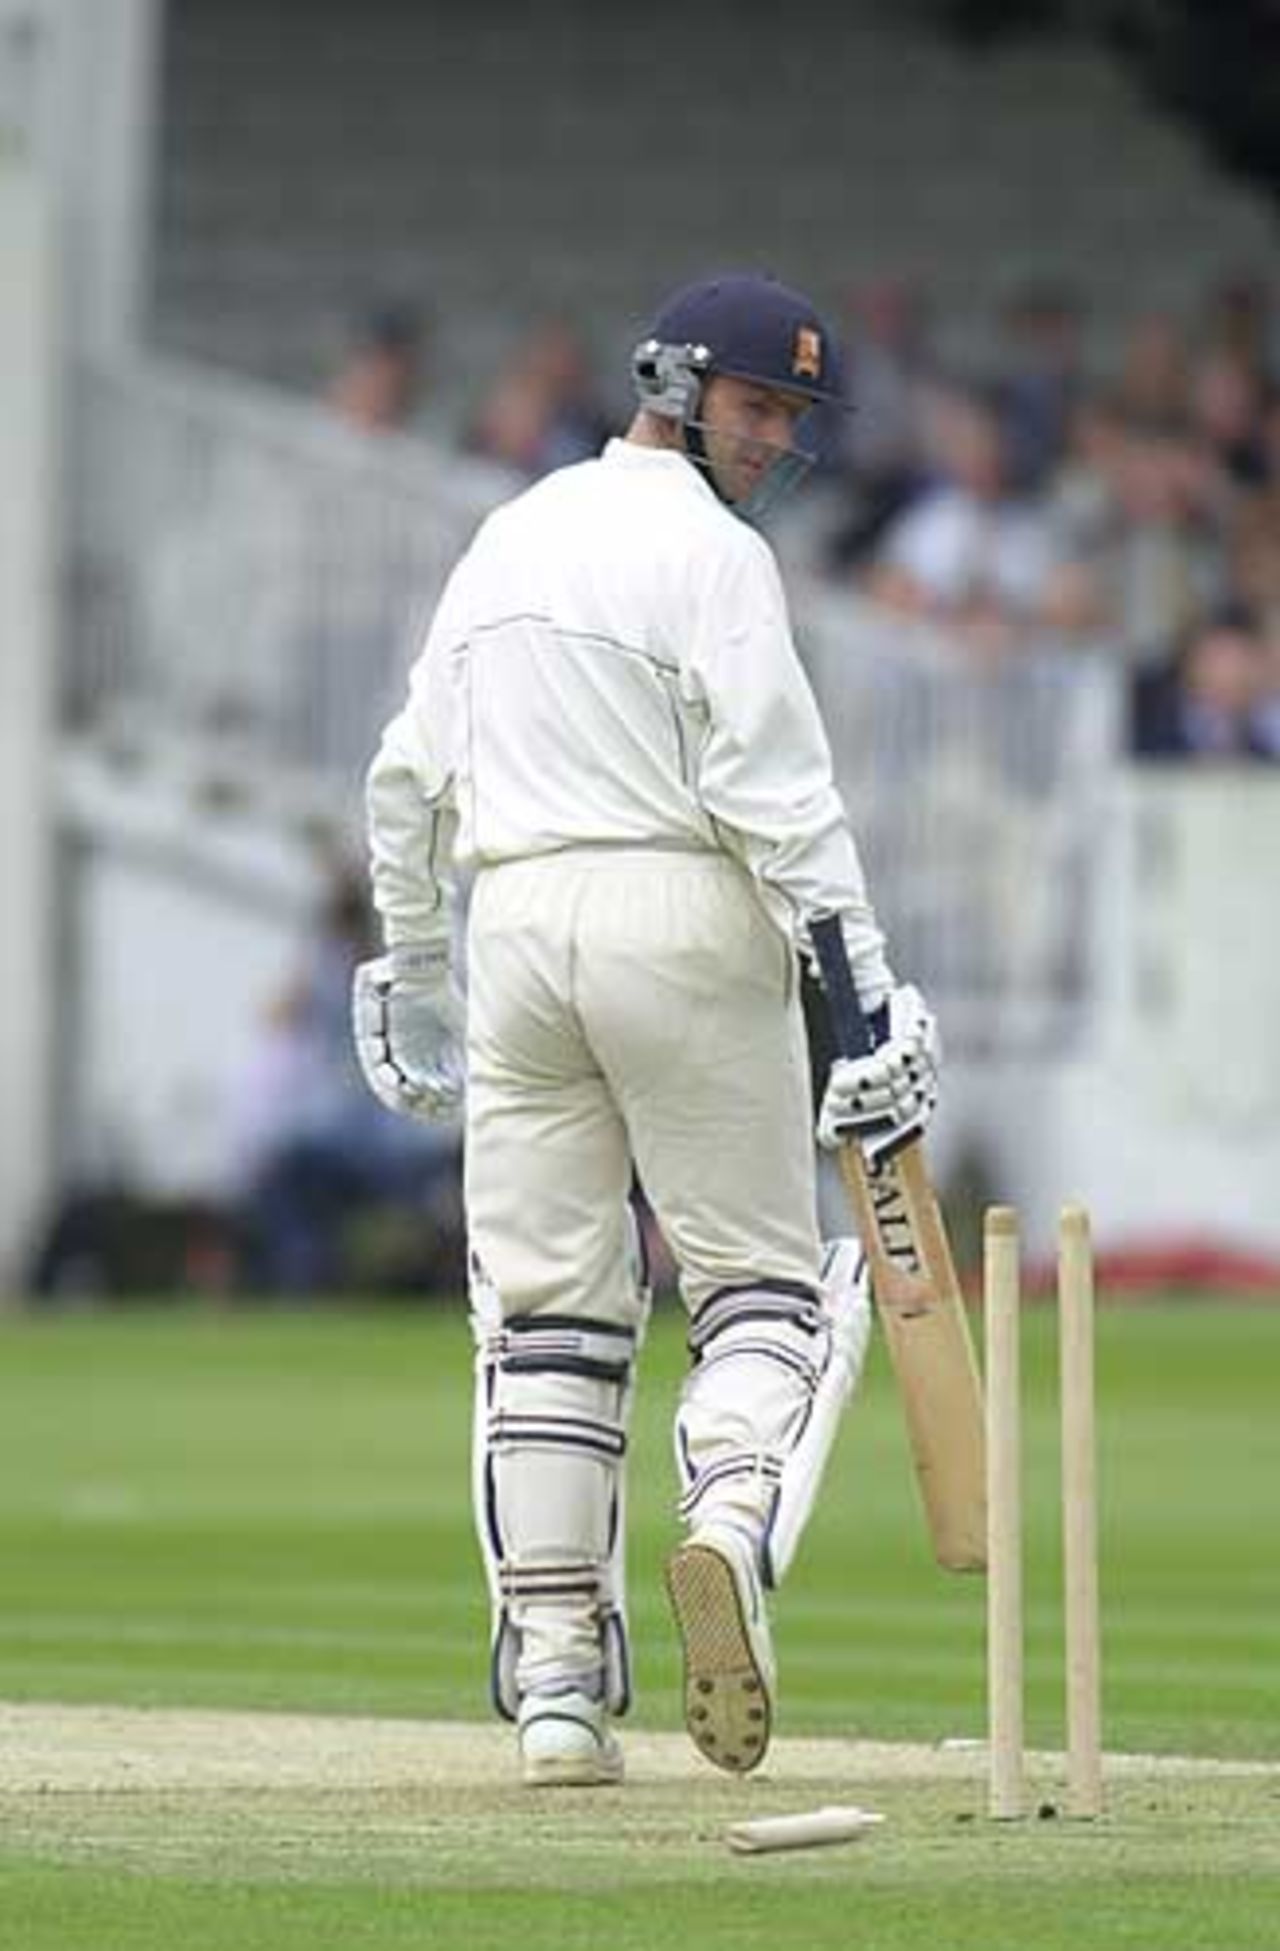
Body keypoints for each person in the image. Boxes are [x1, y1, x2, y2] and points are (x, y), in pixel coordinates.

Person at [352, 272, 940, 1788]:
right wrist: (861, 993)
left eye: (793, 418)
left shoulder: (510, 532)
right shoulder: (714, 559)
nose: (775, 442)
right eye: (757, 407)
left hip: (518, 930)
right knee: (756, 1287)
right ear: (674, 386)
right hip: (677, 910)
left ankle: (556, 1686)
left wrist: (418, 966)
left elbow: (407, 775)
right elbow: (780, 794)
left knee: (544, 1308)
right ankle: (731, 1530)